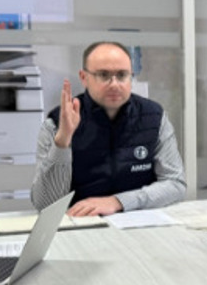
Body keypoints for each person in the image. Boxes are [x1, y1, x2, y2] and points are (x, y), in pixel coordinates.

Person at [32, 41, 186, 216]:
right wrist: (62, 141)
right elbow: (45, 205)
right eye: (103, 75)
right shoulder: (57, 123)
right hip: (82, 223)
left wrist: (119, 202)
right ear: (84, 77)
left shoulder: (154, 117)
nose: (114, 84)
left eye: (122, 75)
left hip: (140, 222)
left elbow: (176, 184)